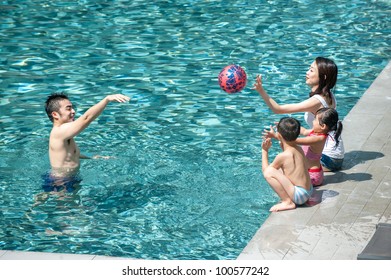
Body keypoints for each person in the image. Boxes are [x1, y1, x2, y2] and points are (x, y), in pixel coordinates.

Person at [253, 57, 344, 171]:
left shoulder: (316, 101)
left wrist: (261, 90)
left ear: (323, 77)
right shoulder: (330, 95)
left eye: (311, 70)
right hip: (337, 156)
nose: (307, 72)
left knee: (287, 156)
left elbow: (278, 109)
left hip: (326, 159)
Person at [44, 92, 130, 191]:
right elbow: (86, 118)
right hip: (61, 181)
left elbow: (70, 155)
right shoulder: (59, 132)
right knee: (69, 206)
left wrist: (92, 158)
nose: (73, 111)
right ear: (55, 114)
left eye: (72, 108)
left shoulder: (65, 134)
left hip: (67, 178)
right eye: (68, 108)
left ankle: (41, 197)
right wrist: (106, 99)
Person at [261, 117, 312, 212]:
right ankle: (288, 198)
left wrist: (265, 151)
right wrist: (277, 136)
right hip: (308, 190)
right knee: (280, 170)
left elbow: (266, 171)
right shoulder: (299, 148)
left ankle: (287, 201)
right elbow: (286, 142)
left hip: (300, 196)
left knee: (269, 172)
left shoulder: (282, 156)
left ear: (279, 135)